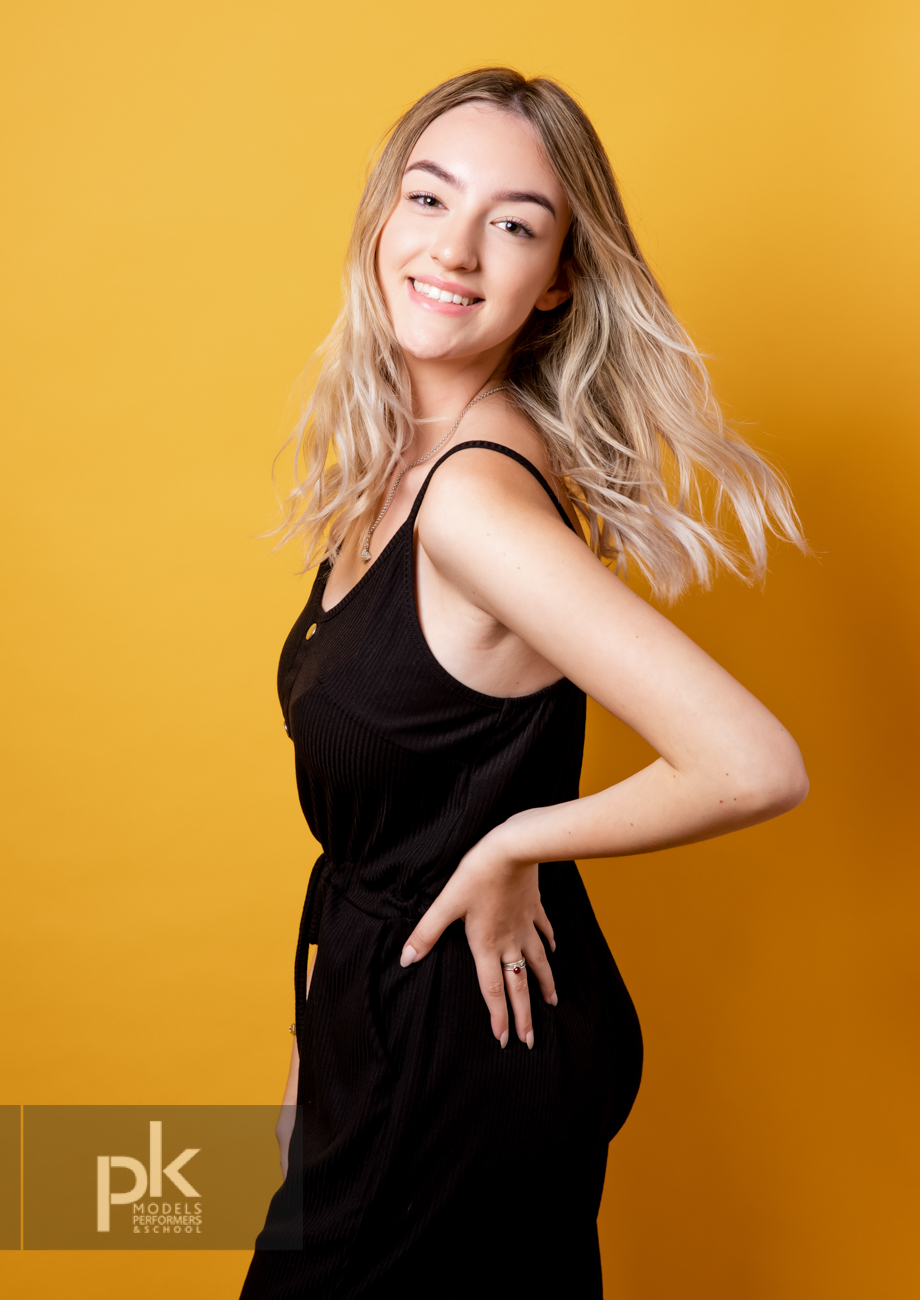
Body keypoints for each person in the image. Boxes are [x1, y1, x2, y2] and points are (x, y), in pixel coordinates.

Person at [239, 67, 809, 1299]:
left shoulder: (474, 506)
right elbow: (388, 832)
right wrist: (311, 1064)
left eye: (511, 222)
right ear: (380, 217)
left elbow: (753, 762)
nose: (453, 248)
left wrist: (513, 843)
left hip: (459, 1049)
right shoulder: (403, 465)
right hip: (390, 1023)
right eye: (428, 197)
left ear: (555, 278)